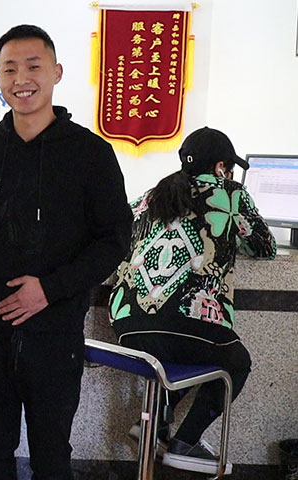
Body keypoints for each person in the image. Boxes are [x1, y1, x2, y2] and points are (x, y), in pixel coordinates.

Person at [0, 25, 133, 479]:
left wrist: (49, 289)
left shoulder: (91, 153)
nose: (21, 79)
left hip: (55, 332)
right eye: (9, 69)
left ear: (56, 72)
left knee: (52, 456)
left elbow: (115, 240)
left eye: (33, 66)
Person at [109, 127, 276, 474]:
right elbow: (265, 246)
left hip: (127, 328)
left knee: (183, 348)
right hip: (188, 325)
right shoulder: (231, 193)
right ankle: (185, 443)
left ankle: (154, 424)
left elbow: (115, 233)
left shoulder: (153, 194)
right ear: (220, 167)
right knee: (234, 360)